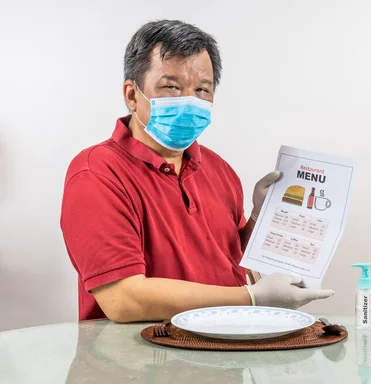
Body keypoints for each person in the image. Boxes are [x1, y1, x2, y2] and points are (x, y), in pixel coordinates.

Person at [60, 19, 334, 322]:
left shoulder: (219, 169)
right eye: (172, 87)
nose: (189, 100)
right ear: (131, 95)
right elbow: (123, 299)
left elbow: (228, 258)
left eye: (202, 89)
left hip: (224, 351)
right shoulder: (97, 173)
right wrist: (252, 298)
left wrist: (259, 217)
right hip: (139, 361)